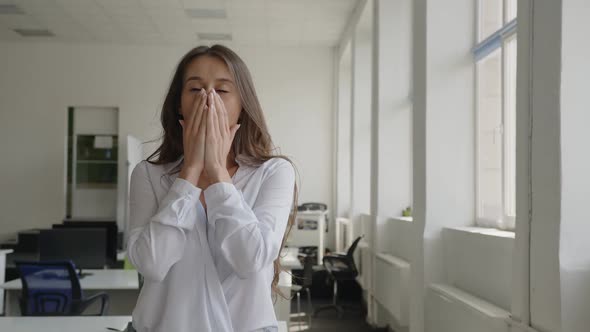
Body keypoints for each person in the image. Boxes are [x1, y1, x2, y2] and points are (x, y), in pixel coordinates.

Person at [126, 45, 298, 332]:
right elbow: (152, 264)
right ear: (179, 104)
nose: (208, 100)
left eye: (222, 90)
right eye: (195, 89)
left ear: (243, 103)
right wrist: (189, 174)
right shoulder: (148, 174)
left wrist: (218, 173)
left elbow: (251, 260)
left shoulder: (273, 173)